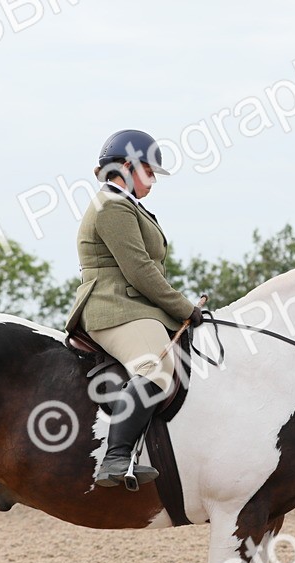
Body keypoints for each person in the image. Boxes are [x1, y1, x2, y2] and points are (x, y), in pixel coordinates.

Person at [64, 129, 203, 488]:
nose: (153, 180)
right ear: (127, 166)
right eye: (150, 171)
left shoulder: (125, 205)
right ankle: (116, 458)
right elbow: (140, 270)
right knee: (156, 369)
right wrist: (184, 307)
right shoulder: (111, 206)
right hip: (113, 307)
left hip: (133, 306)